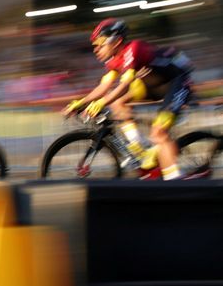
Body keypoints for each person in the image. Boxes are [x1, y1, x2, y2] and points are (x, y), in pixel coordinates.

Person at [63, 18, 197, 180]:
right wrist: (81, 102)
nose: (96, 49)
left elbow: (125, 85)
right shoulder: (113, 60)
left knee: (159, 134)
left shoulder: (133, 49)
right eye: (94, 45)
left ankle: (177, 182)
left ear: (117, 41)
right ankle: (140, 148)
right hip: (154, 84)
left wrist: (100, 102)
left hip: (176, 82)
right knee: (117, 102)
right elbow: (103, 87)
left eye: (100, 44)